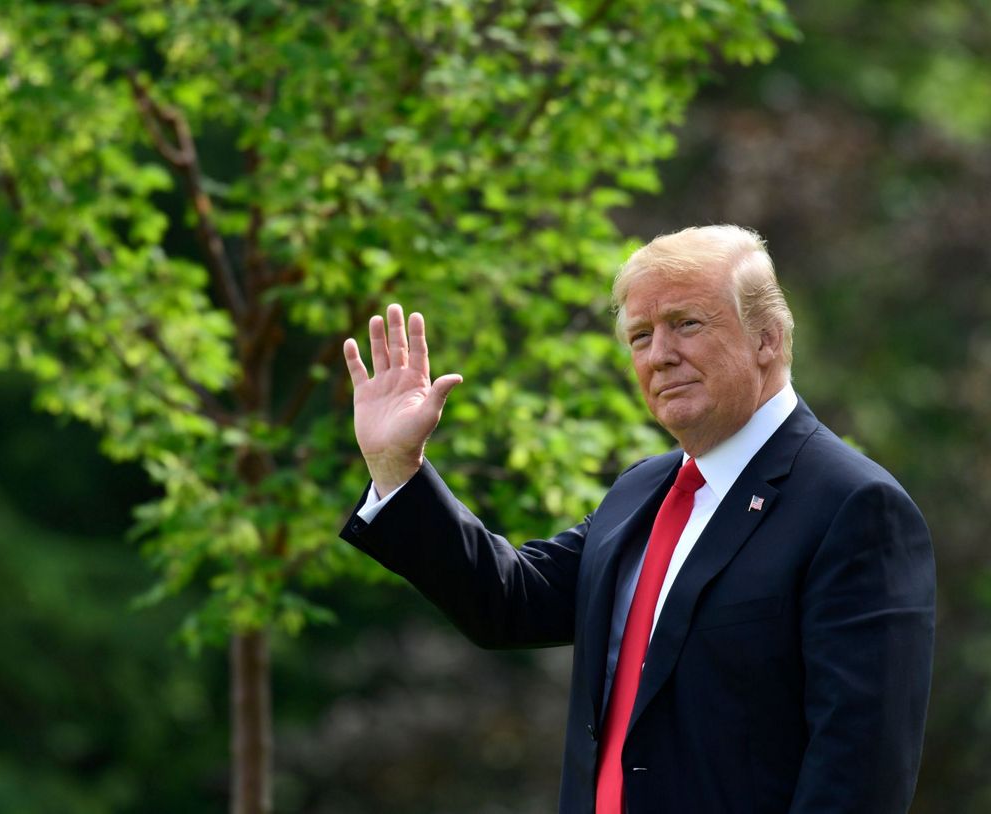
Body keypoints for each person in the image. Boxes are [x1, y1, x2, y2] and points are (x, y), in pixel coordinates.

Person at [338, 225, 935, 814]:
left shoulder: (853, 507)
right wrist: (398, 466)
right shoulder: (643, 490)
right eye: (640, 335)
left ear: (767, 339)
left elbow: (861, 771)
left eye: (687, 324)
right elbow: (511, 602)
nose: (660, 355)